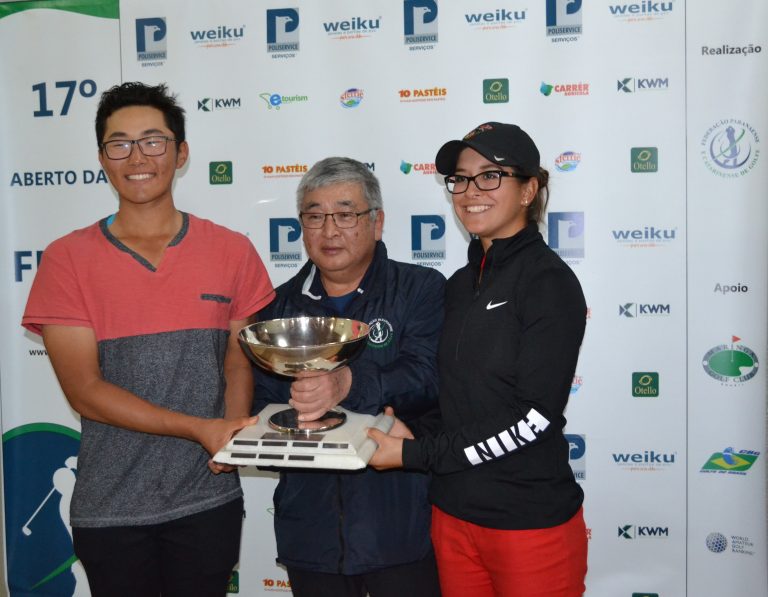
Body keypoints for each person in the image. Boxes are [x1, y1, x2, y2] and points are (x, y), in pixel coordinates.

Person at [21, 82, 275, 597]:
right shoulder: (67, 259)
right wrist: (200, 428)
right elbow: (85, 391)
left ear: (181, 153)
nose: (137, 157)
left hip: (208, 498)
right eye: (120, 144)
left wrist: (228, 435)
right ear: (102, 158)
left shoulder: (232, 250)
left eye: (153, 141)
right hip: (111, 508)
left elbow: (237, 362)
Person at [369, 122, 588, 597]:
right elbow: (459, 400)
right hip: (452, 514)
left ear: (528, 190)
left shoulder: (548, 282)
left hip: (528, 522)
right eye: (461, 178)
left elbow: (532, 417)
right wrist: (415, 431)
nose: (471, 191)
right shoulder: (459, 285)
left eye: (490, 176)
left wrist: (413, 454)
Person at [252, 157, 444, 597]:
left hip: (400, 526)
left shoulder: (420, 289)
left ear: (377, 222)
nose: (329, 230)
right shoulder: (276, 310)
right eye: (315, 216)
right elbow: (262, 409)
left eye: (345, 214)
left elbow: (429, 378)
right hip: (310, 534)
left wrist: (347, 384)